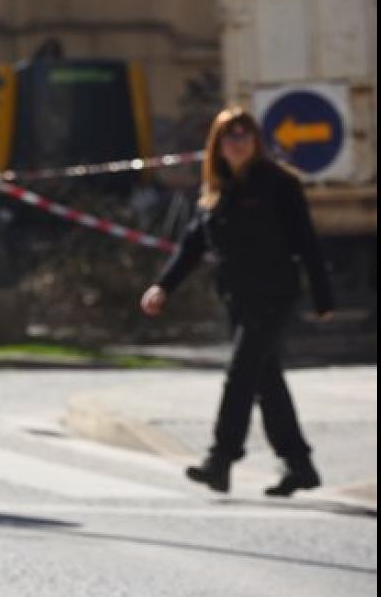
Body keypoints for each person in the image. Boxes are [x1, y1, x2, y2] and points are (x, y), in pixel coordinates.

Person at [140, 107, 333, 497]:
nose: (238, 142)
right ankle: (299, 464)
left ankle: (221, 459)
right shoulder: (216, 190)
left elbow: (306, 241)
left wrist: (322, 295)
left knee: (241, 374)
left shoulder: (279, 184)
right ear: (218, 146)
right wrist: (163, 286)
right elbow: (191, 246)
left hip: (274, 294)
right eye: (230, 136)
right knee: (266, 380)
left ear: (256, 142)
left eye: (245, 135)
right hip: (237, 297)